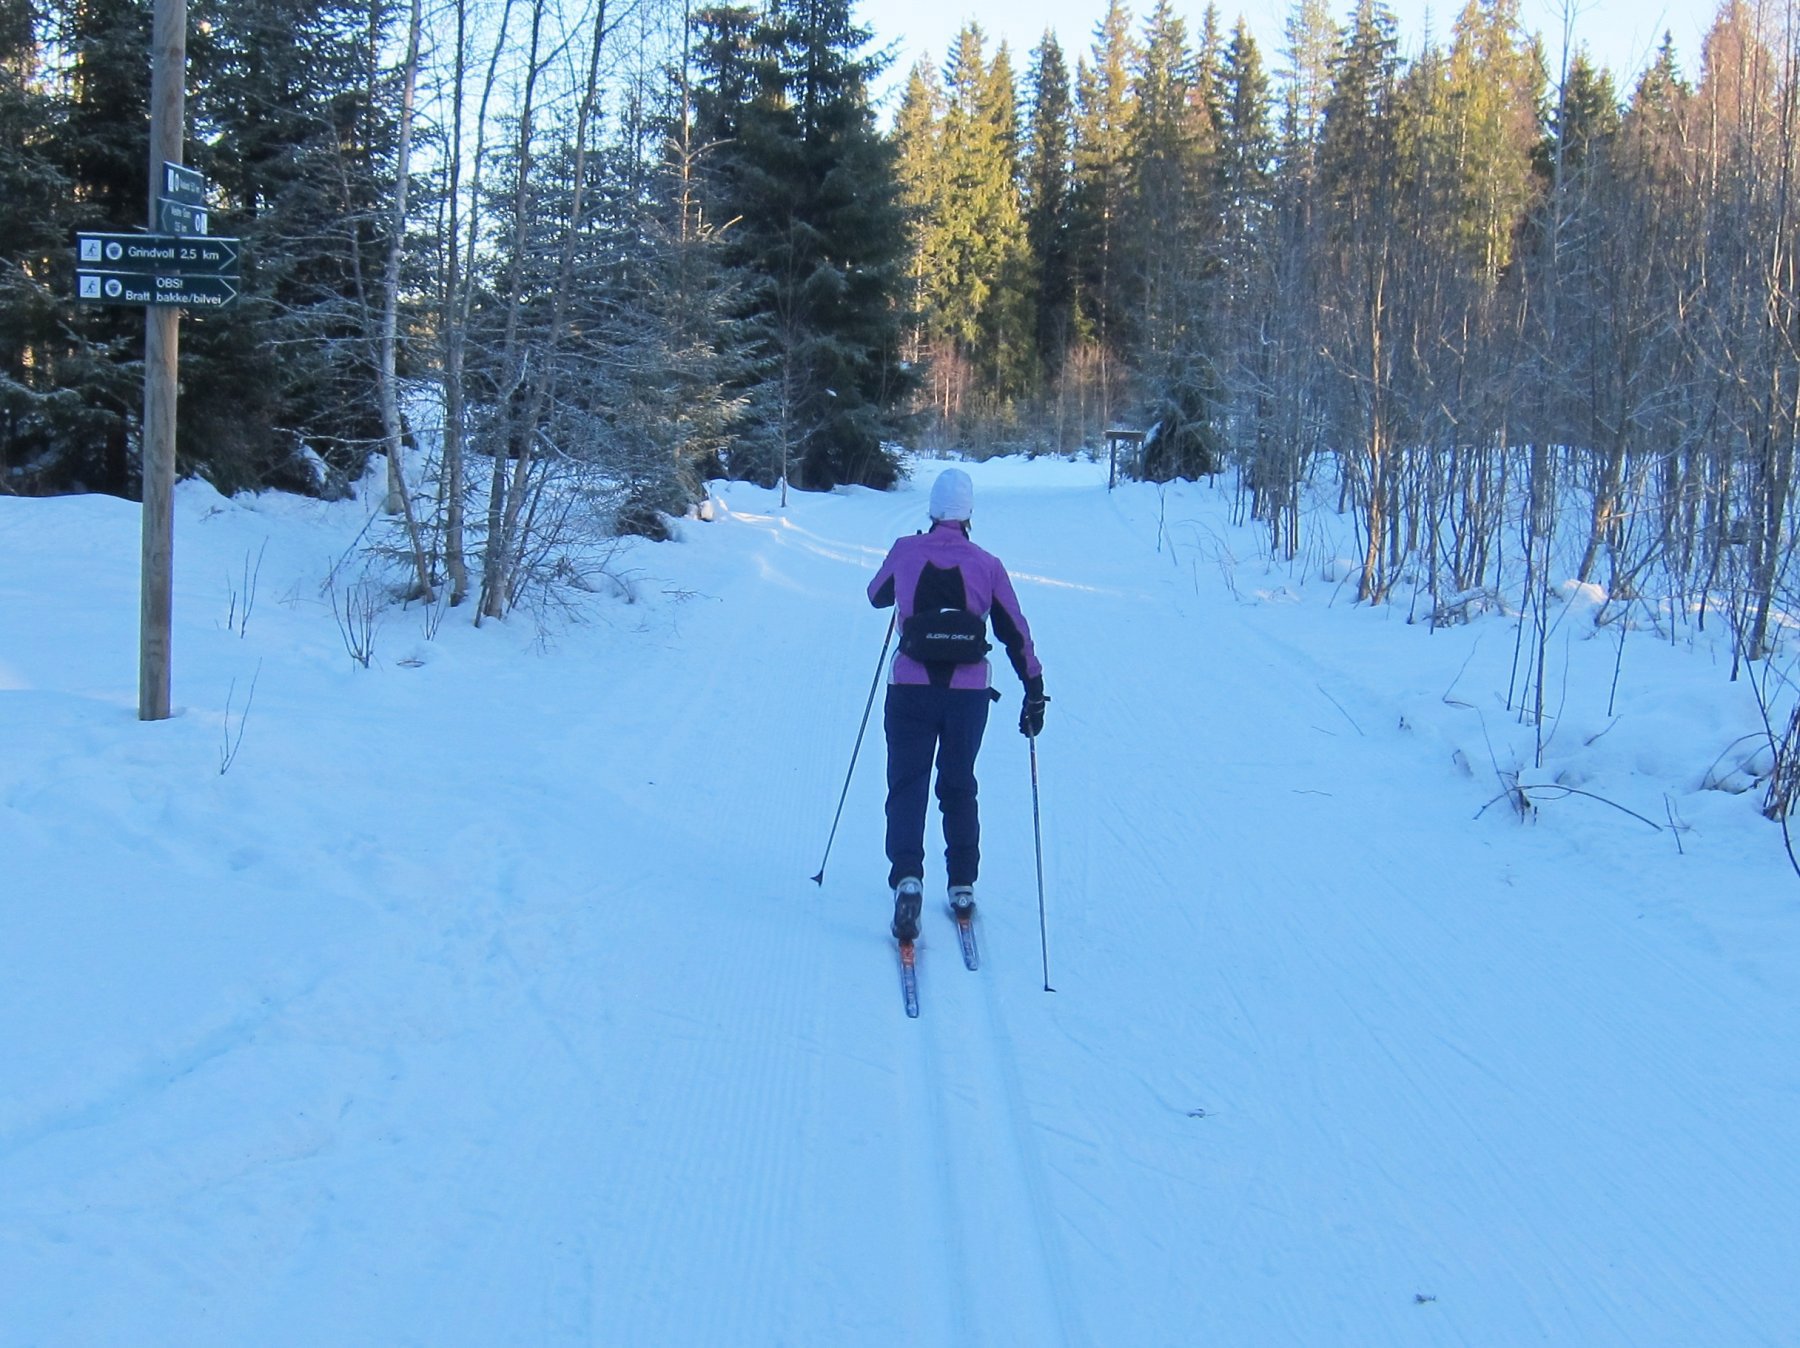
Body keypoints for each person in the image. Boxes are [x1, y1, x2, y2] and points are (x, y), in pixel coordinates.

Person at [867, 467, 1046, 942]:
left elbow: (876, 596)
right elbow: (1015, 631)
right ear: (968, 514)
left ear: (931, 509)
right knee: (958, 783)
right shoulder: (987, 563)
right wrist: (1034, 689)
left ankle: (908, 878)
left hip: (910, 688)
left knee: (907, 784)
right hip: (967, 696)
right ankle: (962, 884)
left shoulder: (906, 550)